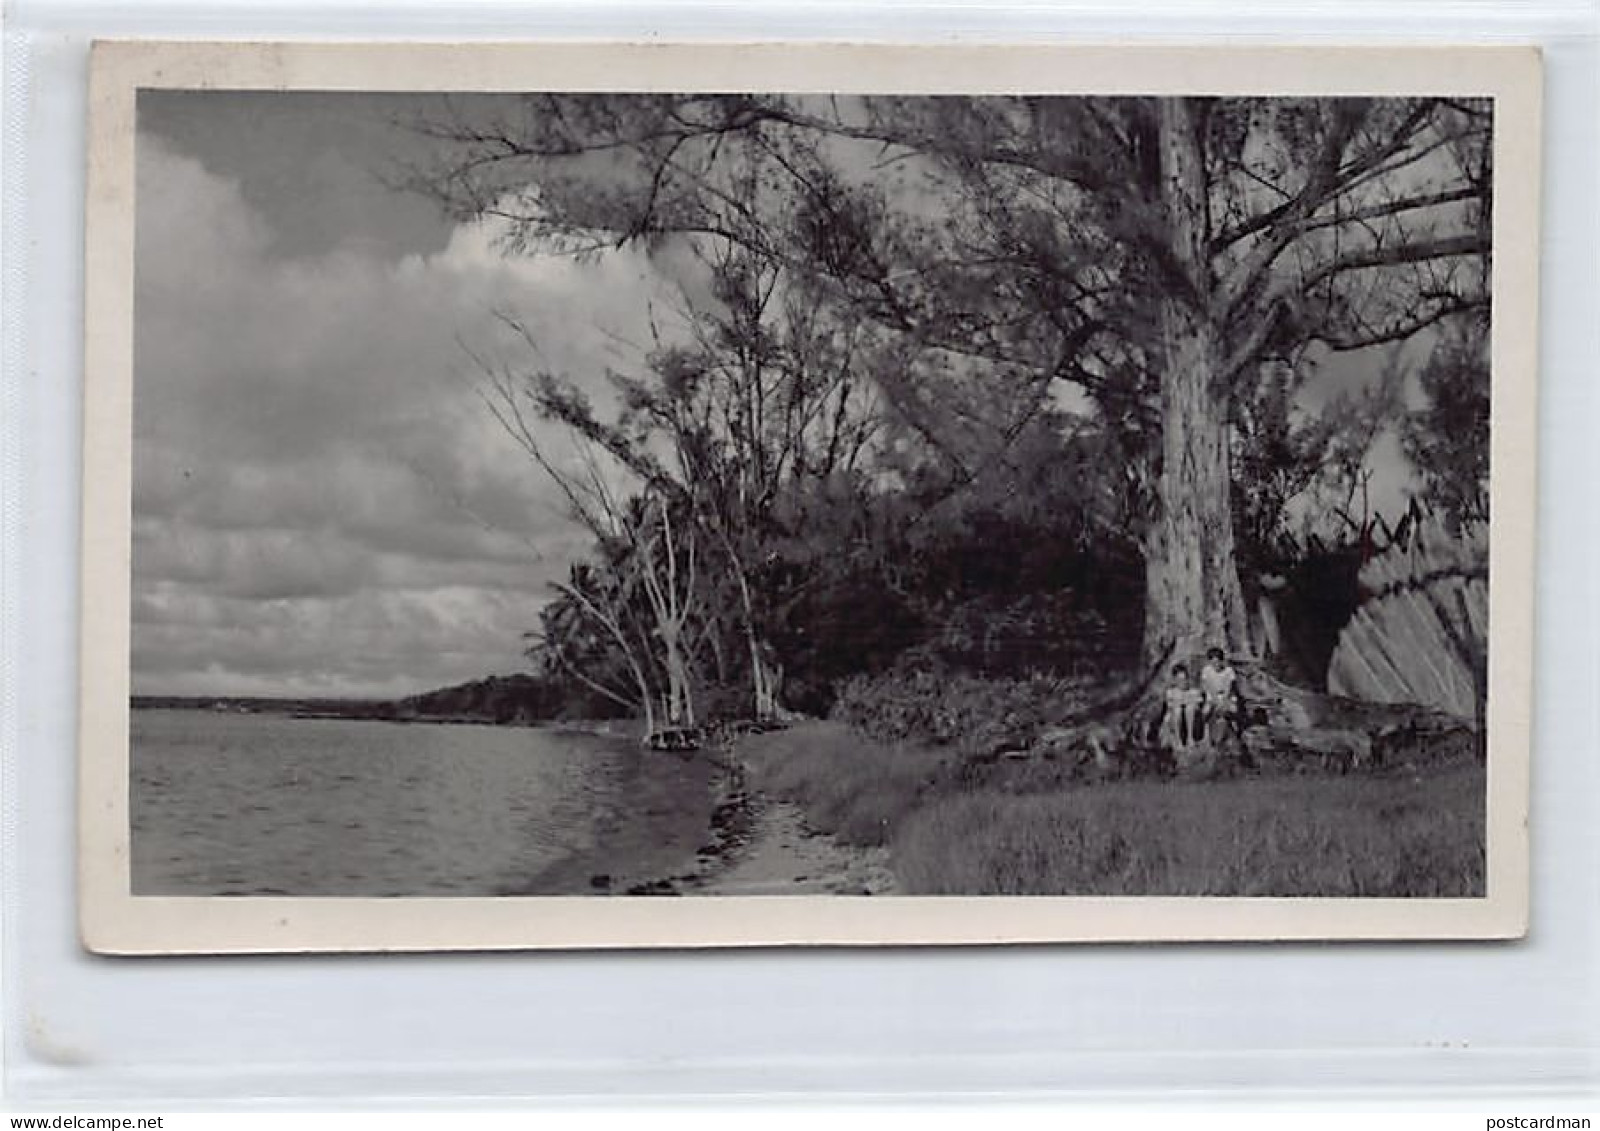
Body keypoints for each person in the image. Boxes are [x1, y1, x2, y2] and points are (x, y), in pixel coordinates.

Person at [1199, 646, 1244, 744]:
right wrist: (1215, 701)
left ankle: (1235, 729)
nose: (1216, 665)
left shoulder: (1229, 671)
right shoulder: (1206, 671)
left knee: (1233, 709)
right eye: (1213, 662)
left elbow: (1229, 687)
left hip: (1226, 696)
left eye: (1217, 662)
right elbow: (1208, 687)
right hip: (1212, 696)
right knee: (1206, 711)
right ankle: (1206, 733)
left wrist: (1224, 701)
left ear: (1221, 661)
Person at [1160, 663, 1203, 757]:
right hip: (1175, 718)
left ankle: (1190, 738)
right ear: (1175, 680)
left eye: (1184, 679)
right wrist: (1182, 702)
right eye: (1179, 680)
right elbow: (1170, 706)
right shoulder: (1170, 692)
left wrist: (1186, 702)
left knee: (1189, 708)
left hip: (1191, 718)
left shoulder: (1193, 691)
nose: (1182, 682)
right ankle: (1178, 741)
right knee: (1177, 710)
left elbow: (1197, 704)